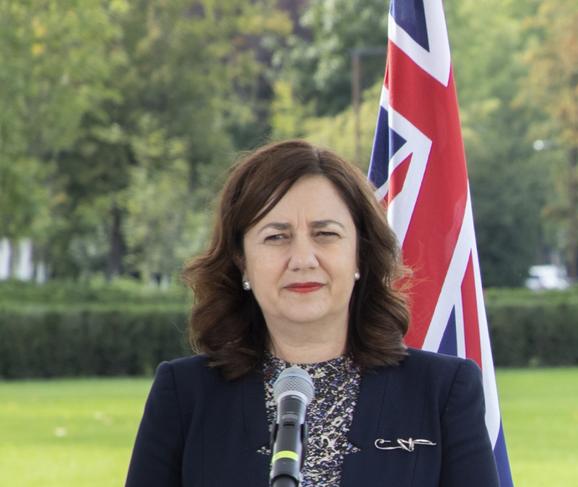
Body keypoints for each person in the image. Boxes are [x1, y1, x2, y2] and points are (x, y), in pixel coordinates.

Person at [125, 140, 499, 487]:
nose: (303, 260)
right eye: (276, 236)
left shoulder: (442, 390)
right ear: (241, 262)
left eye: (325, 234)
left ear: (361, 254)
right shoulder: (185, 395)